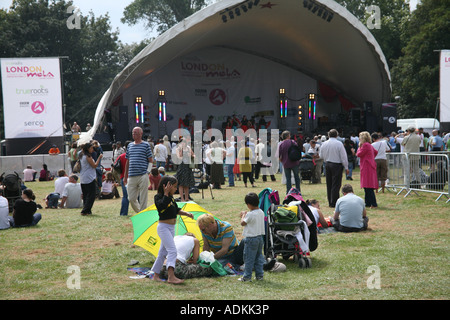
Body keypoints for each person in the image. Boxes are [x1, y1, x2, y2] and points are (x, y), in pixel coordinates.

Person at [151, 176, 194, 284]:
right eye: (174, 186)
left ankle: (155, 275)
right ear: (166, 186)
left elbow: (176, 209)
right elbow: (161, 206)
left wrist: (186, 213)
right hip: (163, 227)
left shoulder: (171, 198)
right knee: (172, 251)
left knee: (163, 252)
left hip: (171, 228)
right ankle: (171, 276)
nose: (176, 189)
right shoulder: (159, 197)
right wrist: (165, 194)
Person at [123, 127, 153, 213]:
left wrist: (147, 172)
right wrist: (125, 177)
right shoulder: (130, 145)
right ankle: (141, 213)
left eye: (136, 133)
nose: (134, 134)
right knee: (131, 198)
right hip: (131, 175)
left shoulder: (146, 145)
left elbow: (150, 160)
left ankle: (142, 215)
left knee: (143, 198)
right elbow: (127, 162)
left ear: (141, 134)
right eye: (133, 133)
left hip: (143, 174)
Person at [239, 192, 266, 282]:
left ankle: (247, 277)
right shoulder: (261, 212)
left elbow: (243, 223)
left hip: (251, 239)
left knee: (248, 258)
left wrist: (243, 215)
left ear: (249, 204)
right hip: (259, 238)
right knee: (259, 258)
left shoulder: (250, 214)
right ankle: (259, 275)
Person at [319, 129, 349, 207]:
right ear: (337, 135)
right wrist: (346, 167)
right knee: (336, 184)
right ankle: (335, 201)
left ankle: (330, 201)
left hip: (327, 164)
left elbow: (321, 156)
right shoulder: (339, 144)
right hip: (337, 165)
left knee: (329, 184)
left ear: (328, 135)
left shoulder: (324, 144)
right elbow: (343, 157)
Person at [79, 142, 103, 216]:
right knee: (91, 195)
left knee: (86, 195)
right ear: (88, 148)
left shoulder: (81, 155)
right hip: (89, 178)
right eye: (91, 148)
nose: (93, 149)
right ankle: (85, 210)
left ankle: (87, 210)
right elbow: (94, 165)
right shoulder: (88, 156)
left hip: (83, 178)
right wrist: (99, 158)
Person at [357, 131, 378, 208]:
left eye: (360, 137)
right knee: (368, 186)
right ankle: (368, 203)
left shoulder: (365, 145)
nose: (359, 139)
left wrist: (359, 147)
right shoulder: (369, 145)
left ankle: (373, 203)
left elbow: (358, 154)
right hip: (369, 166)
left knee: (368, 186)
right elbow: (375, 152)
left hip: (367, 167)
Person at [116, 141, 131, 216]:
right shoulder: (134, 156)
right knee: (138, 196)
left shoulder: (121, 156)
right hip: (133, 177)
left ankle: (123, 213)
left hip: (123, 178)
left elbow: (115, 167)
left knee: (125, 196)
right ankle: (140, 212)